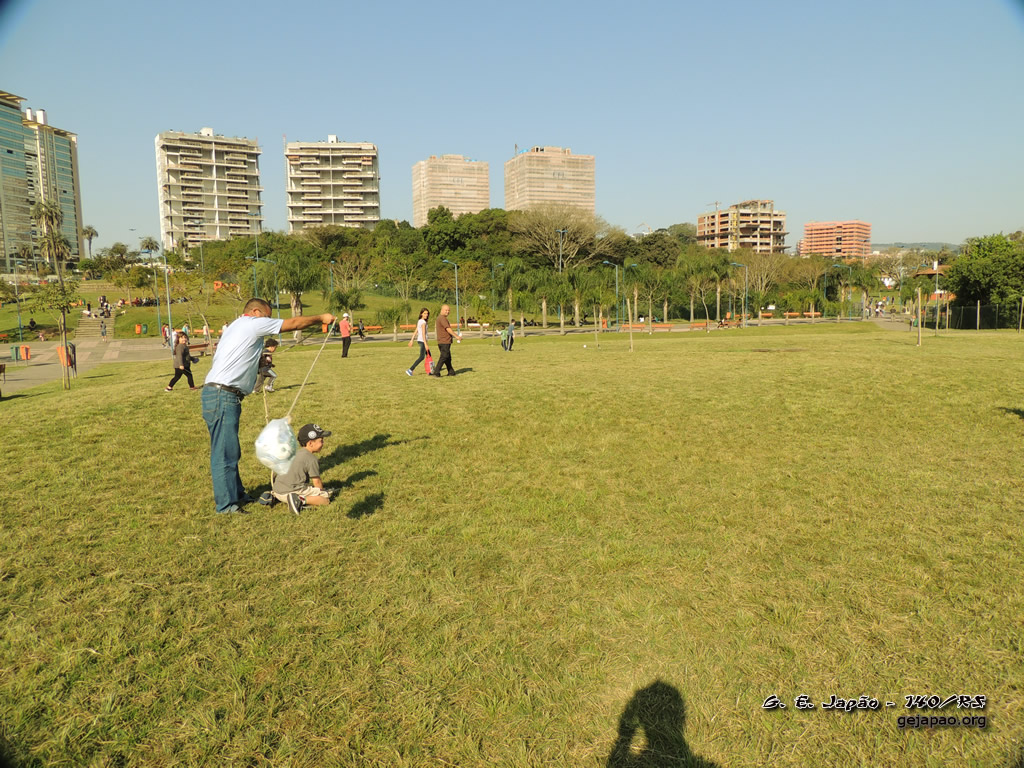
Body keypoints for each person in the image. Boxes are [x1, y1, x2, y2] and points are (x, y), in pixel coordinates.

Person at [201, 298, 335, 514]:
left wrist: (257, 364)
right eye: (267, 316)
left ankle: (237, 494)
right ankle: (226, 506)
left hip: (221, 394)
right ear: (255, 312)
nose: (269, 321)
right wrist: (321, 318)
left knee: (231, 450)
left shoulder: (236, 326)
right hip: (222, 395)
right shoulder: (252, 323)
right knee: (224, 453)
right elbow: (293, 324)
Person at [272, 422, 333, 515]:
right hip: (289, 493)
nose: (323, 443)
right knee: (325, 500)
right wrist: (321, 492)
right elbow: (317, 482)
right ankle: (299, 500)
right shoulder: (311, 459)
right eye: (321, 440)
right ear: (310, 443)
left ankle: (271, 496)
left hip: (277, 491)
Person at [431, 303, 462, 377]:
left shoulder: (441, 318)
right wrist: (456, 336)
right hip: (444, 341)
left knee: (447, 357)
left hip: (443, 341)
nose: (447, 312)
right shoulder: (442, 318)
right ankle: (436, 372)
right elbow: (448, 329)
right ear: (442, 310)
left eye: (448, 310)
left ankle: (451, 372)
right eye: (446, 310)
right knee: (444, 356)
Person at [405, 308, 431, 376]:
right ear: (421, 314)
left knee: (429, 355)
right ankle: (410, 370)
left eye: (427, 313)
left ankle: (430, 370)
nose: (426, 315)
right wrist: (425, 344)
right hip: (422, 341)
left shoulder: (420, 321)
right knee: (422, 357)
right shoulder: (423, 322)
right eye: (424, 313)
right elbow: (423, 333)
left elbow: (416, 331)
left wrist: (412, 340)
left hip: (420, 340)